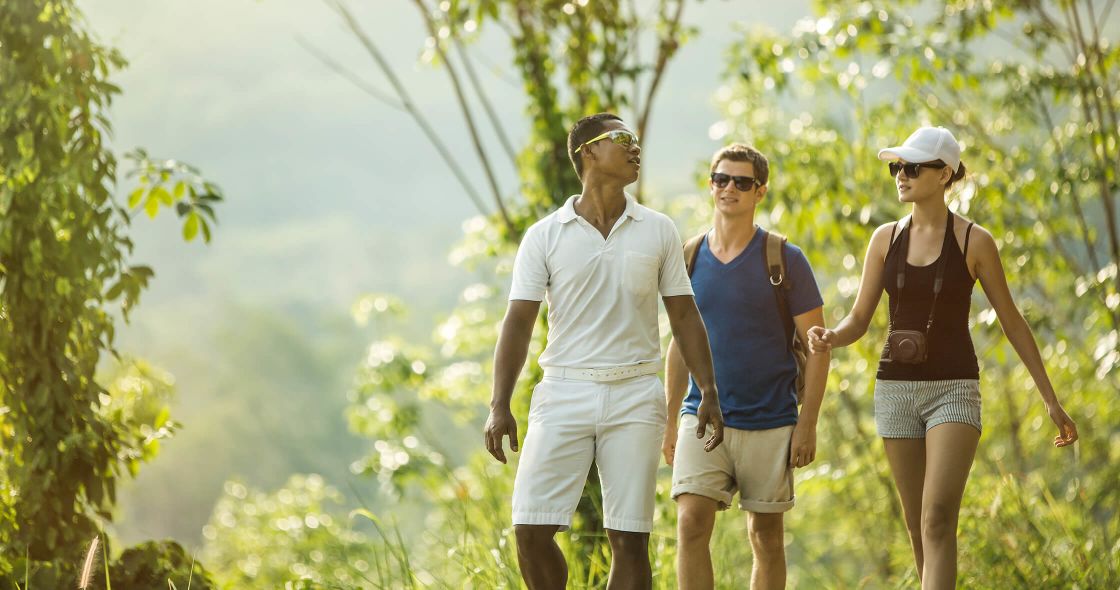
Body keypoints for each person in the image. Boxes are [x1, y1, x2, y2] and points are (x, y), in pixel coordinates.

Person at [806, 126, 1079, 589]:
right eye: (897, 167)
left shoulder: (976, 242)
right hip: (894, 391)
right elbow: (859, 319)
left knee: (936, 518)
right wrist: (830, 336)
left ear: (945, 173)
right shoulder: (884, 239)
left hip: (953, 390)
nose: (901, 176)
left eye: (912, 167)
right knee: (917, 528)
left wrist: (1050, 400)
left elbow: (1012, 321)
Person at [483, 112, 724, 590]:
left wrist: (709, 389)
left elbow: (683, 314)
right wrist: (498, 404)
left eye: (636, 140)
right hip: (563, 392)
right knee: (530, 530)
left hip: (635, 393)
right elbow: (519, 322)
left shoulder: (657, 229)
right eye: (622, 139)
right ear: (587, 152)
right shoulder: (545, 235)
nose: (636, 148)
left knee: (629, 537)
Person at [663, 144, 830, 590]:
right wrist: (668, 421)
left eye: (741, 182)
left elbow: (818, 347)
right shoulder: (688, 256)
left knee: (766, 538)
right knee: (691, 523)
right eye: (721, 179)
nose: (729, 188)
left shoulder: (785, 259)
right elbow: (679, 346)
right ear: (710, 184)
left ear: (760, 192)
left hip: (771, 420)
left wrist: (808, 423)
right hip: (701, 418)